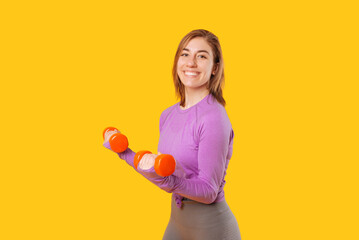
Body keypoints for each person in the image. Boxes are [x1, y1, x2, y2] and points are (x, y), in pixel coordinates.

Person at [103, 29, 241, 240]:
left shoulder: (213, 117)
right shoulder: (167, 115)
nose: (191, 62)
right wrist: (123, 151)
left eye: (201, 56)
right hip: (177, 223)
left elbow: (208, 191)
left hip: (212, 229)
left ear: (215, 67)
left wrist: (168, 182)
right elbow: (157, 166)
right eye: (185, 54)